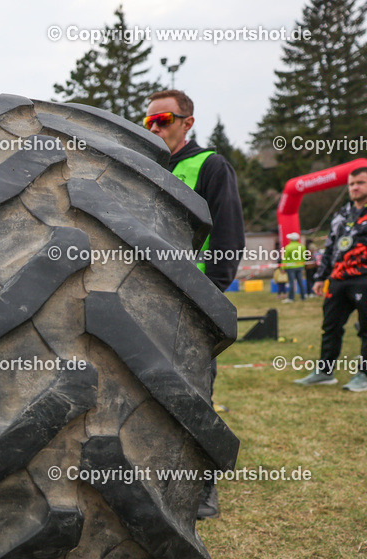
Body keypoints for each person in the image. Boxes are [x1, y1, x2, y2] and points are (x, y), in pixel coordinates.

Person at [144, 90, 245, 520]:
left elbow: (228, 234)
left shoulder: (209, 165)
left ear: (187, 121)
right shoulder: (143, 166)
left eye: (163, 119)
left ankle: (204, 488)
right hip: (148, 294)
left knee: (195, 395)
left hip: (193, 297)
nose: (154, 128)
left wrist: (209, 294)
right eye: (147, 121)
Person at [294, 166, 367, 392]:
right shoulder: (342, 215)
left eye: (360, 183)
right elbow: (329, 248)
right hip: (338, 278)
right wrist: (320, 277)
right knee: (330, 326)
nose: (355, 187)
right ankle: (325, 371)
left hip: (364, 278)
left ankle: (364, 375)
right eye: (352, 184)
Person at [282, 232, 307, 302]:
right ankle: (303, 296)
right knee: (300, 282)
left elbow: (285, 258)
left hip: (290, 267)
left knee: (291, 283)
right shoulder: (302, 247)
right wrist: (303, 266)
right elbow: (304, 257)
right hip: (300, 266)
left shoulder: (288, 247)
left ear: (291, 239)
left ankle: (291, 298)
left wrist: (283, 268)